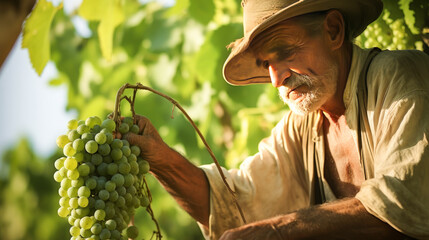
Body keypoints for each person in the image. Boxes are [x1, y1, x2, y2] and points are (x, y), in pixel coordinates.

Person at [124, 0, 429, 239]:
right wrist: (161, 160)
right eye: (266, 63)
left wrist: (278, 231)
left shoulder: (400, 77)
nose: (276, 79)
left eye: (285, 52)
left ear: (333, 30)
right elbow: (231, 207)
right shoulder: (301, 128)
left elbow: (405, 205)